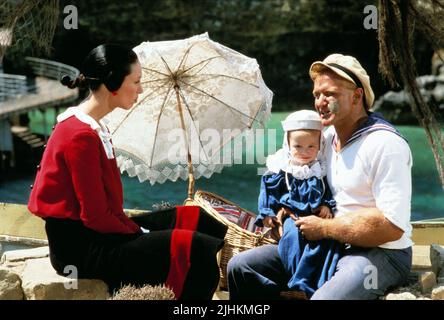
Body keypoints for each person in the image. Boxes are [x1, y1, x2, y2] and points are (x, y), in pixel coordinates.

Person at [27, 44, 227, 300]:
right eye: (136, 81)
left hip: (96, 233)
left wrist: (136, 229)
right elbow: (95, 216)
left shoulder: (93, 127)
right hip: (81, 249)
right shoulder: (79, 135)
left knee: (195, 218)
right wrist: (137, 232)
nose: (140, 89)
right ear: (112, 82)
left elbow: (102, 212)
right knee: (196, 249)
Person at [227, 53, 413, 300]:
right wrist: (282, 212)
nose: (320, 102)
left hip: (380, 252)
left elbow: (392, 227)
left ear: (357, 96)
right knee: (241, 267)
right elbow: (288, 174)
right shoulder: (323, 141)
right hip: (325, 245)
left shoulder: (385, 144)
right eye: (316, 95)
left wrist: (325, 227)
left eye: (330, 94)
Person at [256, 109, 343, 298]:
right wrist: (267, 213)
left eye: (311, 146)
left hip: (315, 216)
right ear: (287, 144)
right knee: (292, 237)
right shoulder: (283, 169)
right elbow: (268, 191)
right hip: (292, 215)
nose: (304, 152)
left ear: (320, 145)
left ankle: (314, 284)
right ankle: (297, 282)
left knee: (327, 244)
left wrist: (327, 205)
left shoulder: (320, 170)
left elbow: (328, 190)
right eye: (298, 146)